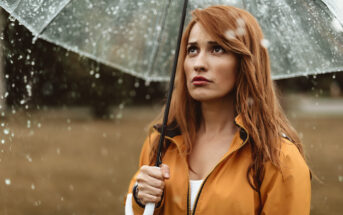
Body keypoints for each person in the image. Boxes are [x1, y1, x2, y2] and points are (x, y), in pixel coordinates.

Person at [125, 5, 311, 215]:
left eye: (217, 49)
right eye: (192, 50)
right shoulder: (160, 144)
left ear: (245, 63)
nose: (199, 63)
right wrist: (141, 200)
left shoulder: (279, 158)